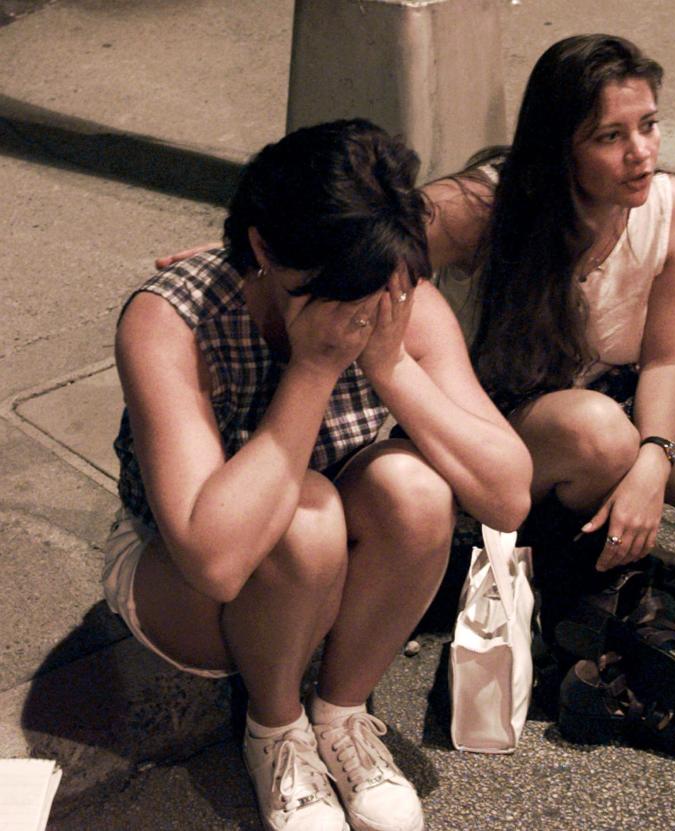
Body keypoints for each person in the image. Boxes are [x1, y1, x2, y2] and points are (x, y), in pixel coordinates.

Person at [154, 36, 675, 831]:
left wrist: (653, 461)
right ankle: (304, 720)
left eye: (650, 126)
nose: (641, 154)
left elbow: (669, 361)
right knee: (600, 428)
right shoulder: (490, 204)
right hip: (506, 420)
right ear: (557, 145)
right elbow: (360, 237)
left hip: (573, 424)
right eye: (611, 136)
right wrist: (250, 255)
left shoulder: (674, 211)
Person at [106, 119, 531, 831]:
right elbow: (213, 559)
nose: (355, 309)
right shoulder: (172, 318)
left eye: (373, 285)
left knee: (418, 489)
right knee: (306, 514)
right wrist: (312, 368)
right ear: (265, 250)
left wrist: (393, 369)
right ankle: (274, 732)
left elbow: (507, 492)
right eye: (330, 291)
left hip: (326, 586)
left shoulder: (391, 287)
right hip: (185, 583)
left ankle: (341, 714)